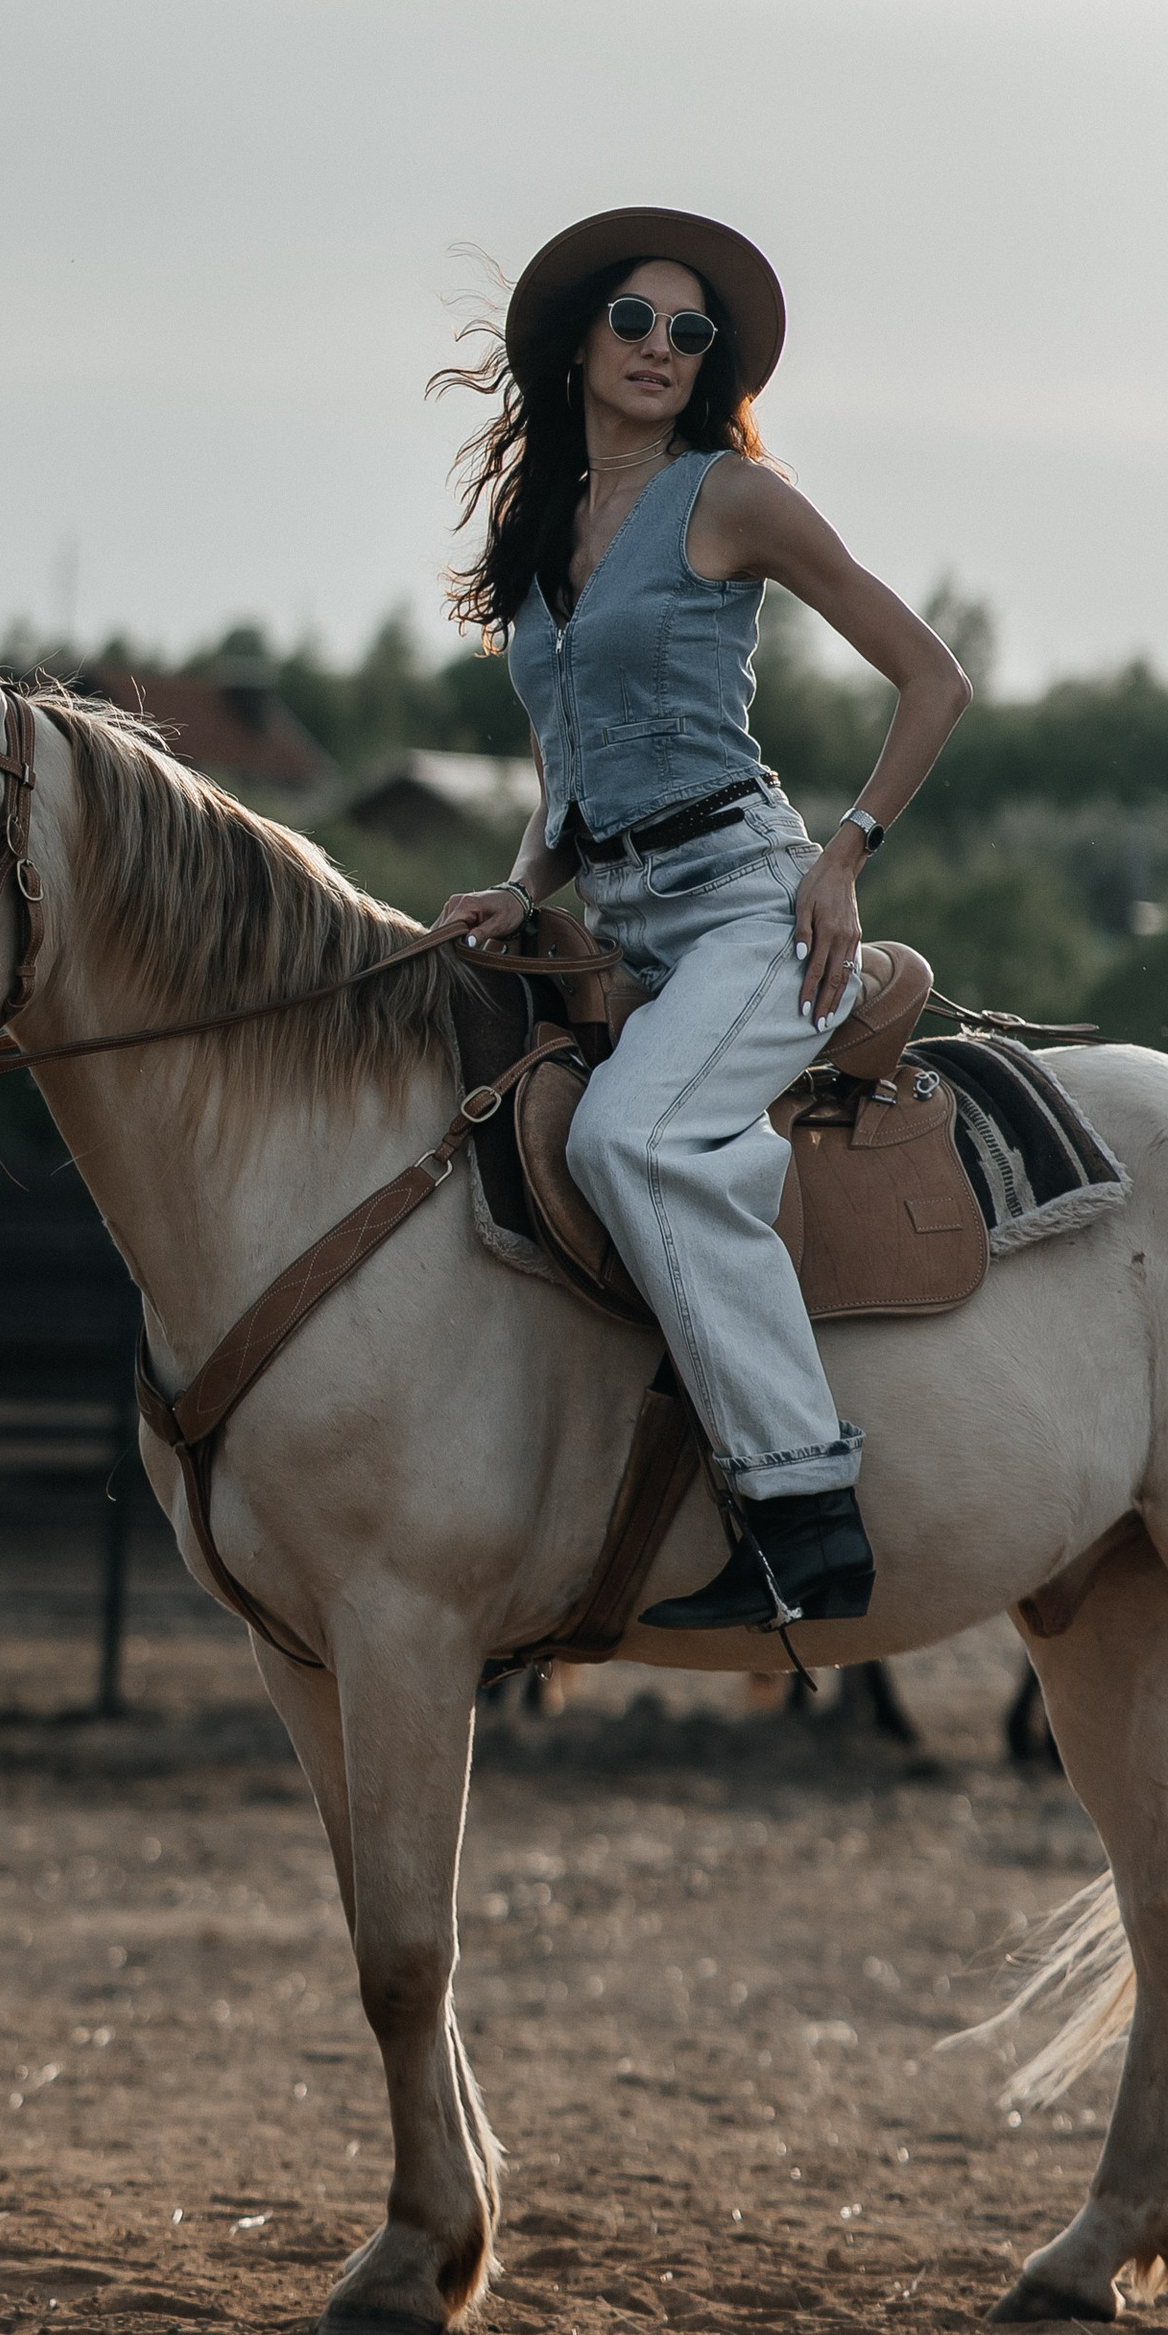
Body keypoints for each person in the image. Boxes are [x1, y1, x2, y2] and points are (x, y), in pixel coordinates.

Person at [438, 209, 971, 1631]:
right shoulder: (540, 528)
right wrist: (522, 883)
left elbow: (934, 680)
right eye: (637, 322)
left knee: (633, 1136)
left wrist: (844, 858)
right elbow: (573, 757)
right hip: (614, 925)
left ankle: (803, 1511)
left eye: (691, 333)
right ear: (580, 344)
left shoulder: (729, 497)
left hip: (752, 908)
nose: (664, 348)